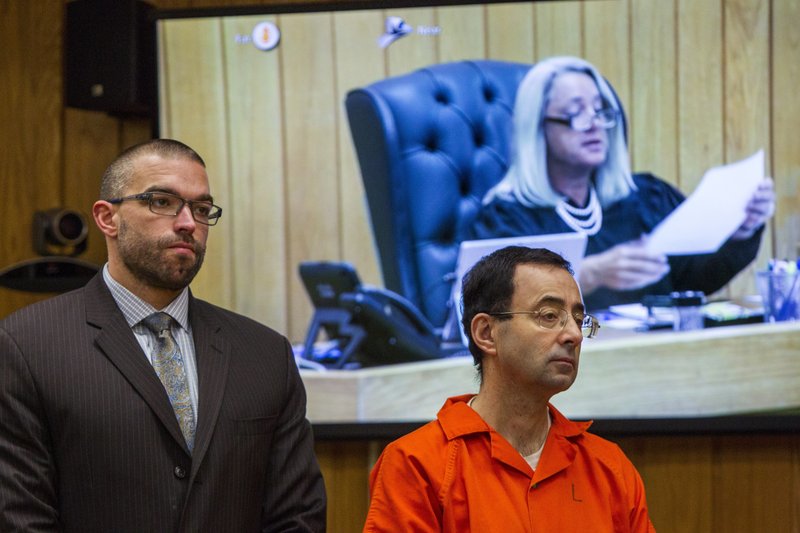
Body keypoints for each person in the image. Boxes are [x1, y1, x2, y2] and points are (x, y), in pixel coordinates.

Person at [0, 139, 326, 532]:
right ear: (107, 218)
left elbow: (298, 517)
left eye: (202, 209)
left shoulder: (265, 353)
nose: (188, 223)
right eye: (162, 201)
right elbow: (21, 519)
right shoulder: (24, 346)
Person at [364, 246, 655, 532]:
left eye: (579, 320)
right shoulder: (416, 465)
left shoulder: (609, 467)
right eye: (549, 316)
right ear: (486, 333)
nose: (573, 335)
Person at [470, 56, 775, 311]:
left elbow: (692, 280)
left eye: (600, 110)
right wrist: (589, 275)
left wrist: (740, 229)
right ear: (537, 129)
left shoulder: (646, 197)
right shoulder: (506, 219)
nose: (594, 124)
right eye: (575, 113)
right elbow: (493, 306)